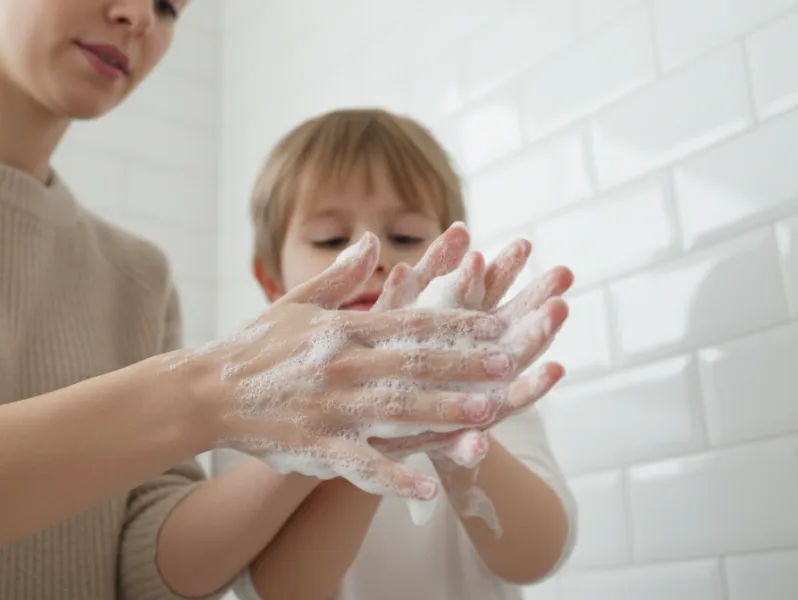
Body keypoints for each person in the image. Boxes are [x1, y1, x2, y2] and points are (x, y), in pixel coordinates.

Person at [0, 1, 567, 599]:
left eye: (171, 2)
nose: (140, 15)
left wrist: (327, 422)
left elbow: (147, 569)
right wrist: (213, 391)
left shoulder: (138, 274)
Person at [215, 108, 579, 600]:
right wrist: (375, 434)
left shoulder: (479, 379)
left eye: (405, 237)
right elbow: (281, 591)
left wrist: (456, 430)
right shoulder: (250, 404)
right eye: (331, 239)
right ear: (271, 281)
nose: (373, 256)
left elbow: (535, 557)